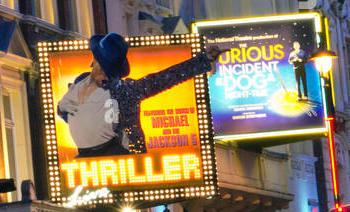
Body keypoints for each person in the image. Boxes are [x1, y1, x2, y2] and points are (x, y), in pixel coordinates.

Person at [57, 34, 224, 156]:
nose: (103, 75)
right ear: (93, 61)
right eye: (101, 68)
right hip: (85, 157)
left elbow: (164, 78)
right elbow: (63, 111)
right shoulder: (80, 82)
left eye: (108, 72)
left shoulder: (125, 90)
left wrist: (203, 61)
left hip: (119, 157)